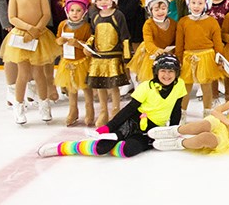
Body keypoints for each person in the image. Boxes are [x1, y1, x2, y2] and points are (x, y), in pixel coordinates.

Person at [38, 53, 186, 158]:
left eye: (171, 71)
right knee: (101, 149)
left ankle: (129, 141)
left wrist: (171, 131)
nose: (167, 75)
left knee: (128, 150)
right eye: (163, 71)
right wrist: (109, 127)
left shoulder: (179, 85)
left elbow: (176, 110)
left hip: (153, 129)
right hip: (132, 122)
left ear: (176, 73)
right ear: (156, 72)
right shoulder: (146, 86)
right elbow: (129, 110)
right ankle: (63, 147)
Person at [0, 0, 61, 124]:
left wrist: (36, 29)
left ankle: (44, 104)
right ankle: (18, 106)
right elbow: (12, 17)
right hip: (21, 37)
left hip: (39, 36)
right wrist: (27, 29)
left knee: (39, 73)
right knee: (23, 74)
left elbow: (46, 14)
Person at [147, 71, 229, 153]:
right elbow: (216, 111)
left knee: (206, 138)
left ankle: (179, 143)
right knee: (204, 124)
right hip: (223, 123)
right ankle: (173, 131)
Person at [176, 0, 227, 122]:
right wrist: (178, 60)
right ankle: (182, 113)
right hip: (188, 57)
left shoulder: (211, 21)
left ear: (206, 3)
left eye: (200, 3)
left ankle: (207, 112)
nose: (196, 6)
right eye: (193, 3)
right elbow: (180, 44)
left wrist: (220, 57)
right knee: (185, 87)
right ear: (188, 3)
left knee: (206, 87)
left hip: (207, 56)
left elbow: (218, 43)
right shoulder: (183, 22)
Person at [85, 0, 131, 127]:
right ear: (95, 1)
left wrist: (126, 56)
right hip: (99, 57)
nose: (103, 2)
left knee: (113, 85)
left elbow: (125, 36)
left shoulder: (118, 16)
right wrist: (89, 46)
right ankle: (103, 110)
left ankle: (116, 111)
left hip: (113, 57)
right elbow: (94, 34)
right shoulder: (96, 16)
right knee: (100, 85)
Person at [54, 0, 94, 126]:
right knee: (71, 88)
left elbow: (89, 45)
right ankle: (73, 110)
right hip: (68, 62)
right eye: (72, 10)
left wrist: (78, 43)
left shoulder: (86, 27)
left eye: (78, 10)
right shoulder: (63, 25)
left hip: (82, 62)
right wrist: (59, 41)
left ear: (84, 12)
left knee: (86, 88)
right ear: (67, 11)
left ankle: (90, 111)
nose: (75, 13)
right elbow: (58, 39)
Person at [126, 0, 177, 84]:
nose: (160, 12)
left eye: (163, 8)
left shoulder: (173, 23)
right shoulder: (148, 24)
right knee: (150, 78)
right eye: (156, 9)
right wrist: (156, 50)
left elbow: (175, 39)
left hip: (167, 52)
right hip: (151, 52)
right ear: (150, 10)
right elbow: (148, 41)